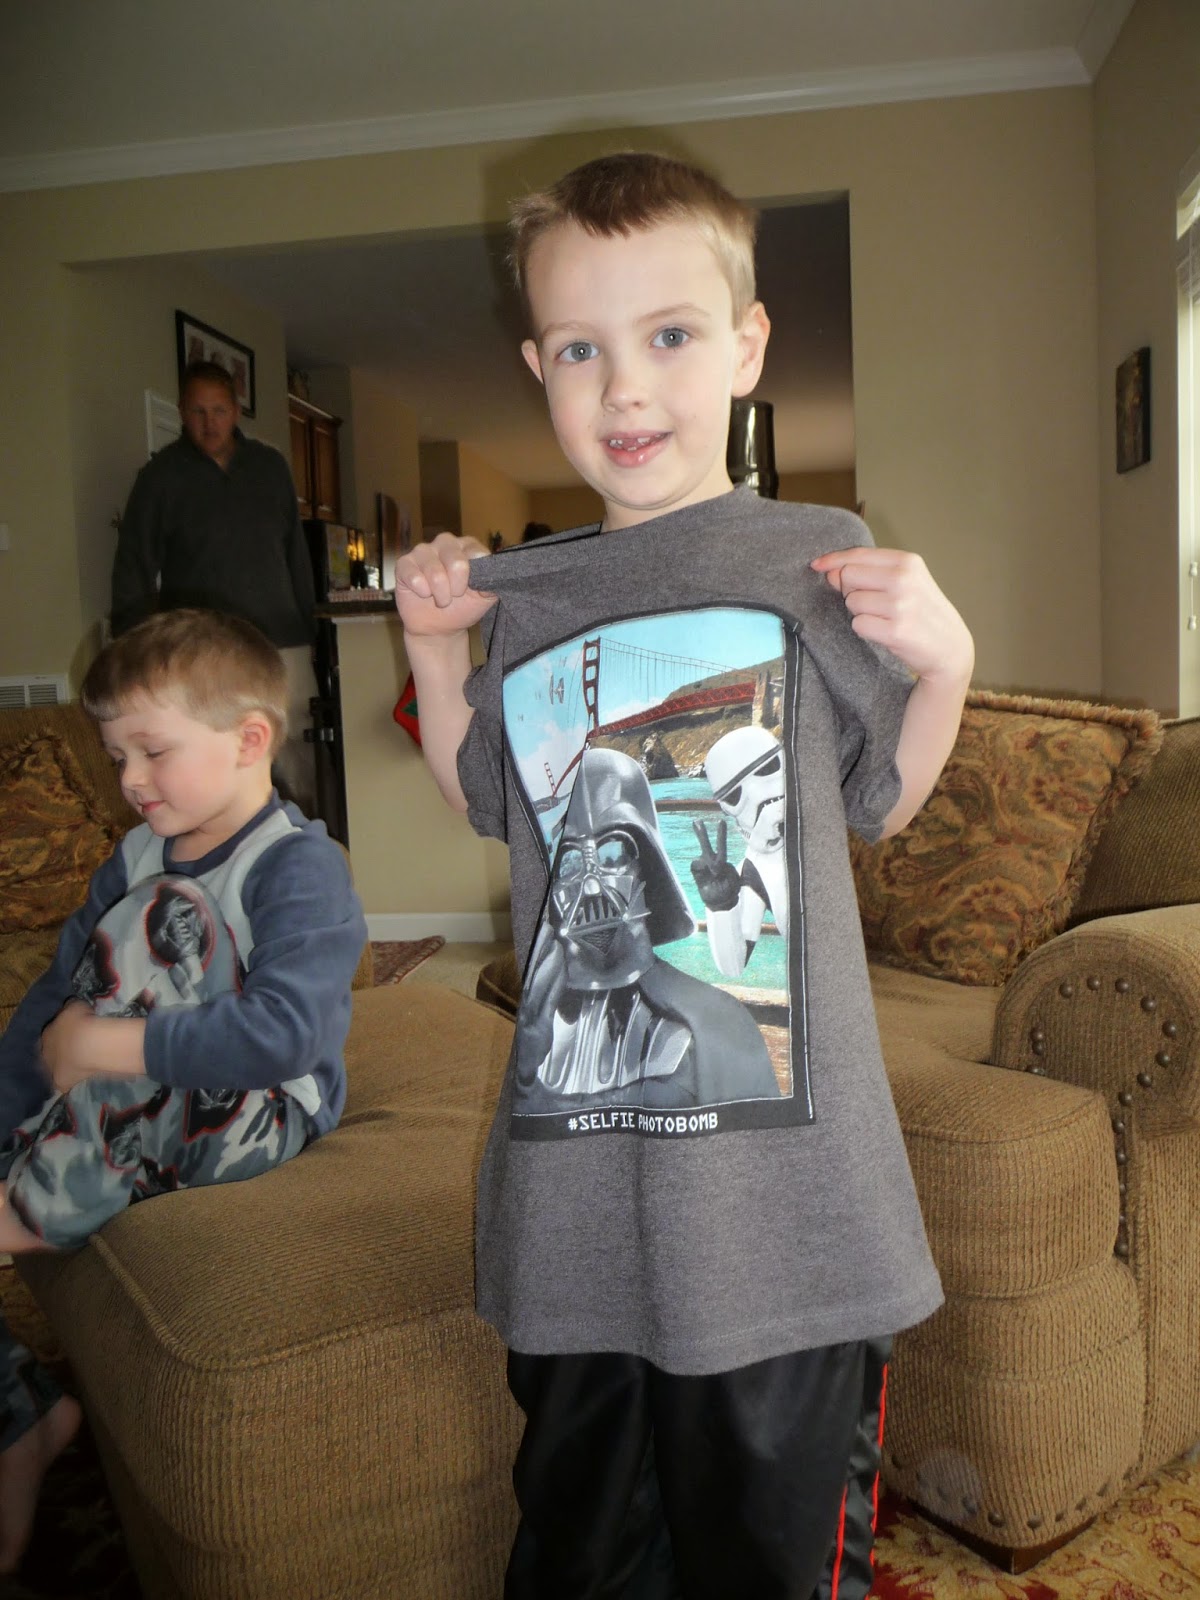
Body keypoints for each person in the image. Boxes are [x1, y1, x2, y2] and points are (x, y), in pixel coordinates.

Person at [394, 151, 975, 1600]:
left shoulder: (810, 558)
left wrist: (949, 670)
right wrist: (432, 652)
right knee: (580, 1554)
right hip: (571, 1206)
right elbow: (488, 797)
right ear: (536, 366)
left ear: (747, 345)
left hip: (787, 1215)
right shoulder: (532, 599)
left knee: (765, 1560)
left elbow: (881, 799)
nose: (625, 388)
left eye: (667, 335)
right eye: (579, 349)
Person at [0, 608, 367, 1573]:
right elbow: (48, 1010)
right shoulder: (130, 855)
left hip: (260, 1108)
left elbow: (287, 1033)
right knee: (119, 936)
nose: (128, 779)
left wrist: (104, 1044)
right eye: (116, 755)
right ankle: (22, 1420)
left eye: (152, 751)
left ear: (249, 740)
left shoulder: (299, 867)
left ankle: (38, 1203)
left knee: (168, 912)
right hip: (143, 1101)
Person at [110, 359, 318, 811]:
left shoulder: (270, 467)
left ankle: (306, 838)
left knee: (298, 754)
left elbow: (296, 555)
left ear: (236, 411)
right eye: (198, 411)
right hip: (205, 652)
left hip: (284, 640)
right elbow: (133, 567)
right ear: (182, 412)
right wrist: (134, 652)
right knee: (223, 758)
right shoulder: (159, 478)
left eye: (219, 410)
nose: (210, 423)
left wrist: (313, 628)